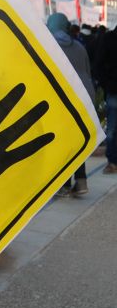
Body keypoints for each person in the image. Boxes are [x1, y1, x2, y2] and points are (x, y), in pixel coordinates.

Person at [48, 13, 94, 196]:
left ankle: (65, 184)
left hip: (63, 100)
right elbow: (88, 73)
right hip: (84, 96)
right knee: (76, 139)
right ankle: (81, 181)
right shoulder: (80, 47)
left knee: (62, 142)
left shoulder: (49, 46)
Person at [93, 24, 117, 173]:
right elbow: (99, 65)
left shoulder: (108, 38)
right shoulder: (109, 39)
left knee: (112, 128)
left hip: (112, 89)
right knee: (112, 128)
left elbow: (98, 65)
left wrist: (105, 83)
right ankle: (112, 160)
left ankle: (112, 161)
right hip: (113, 89)